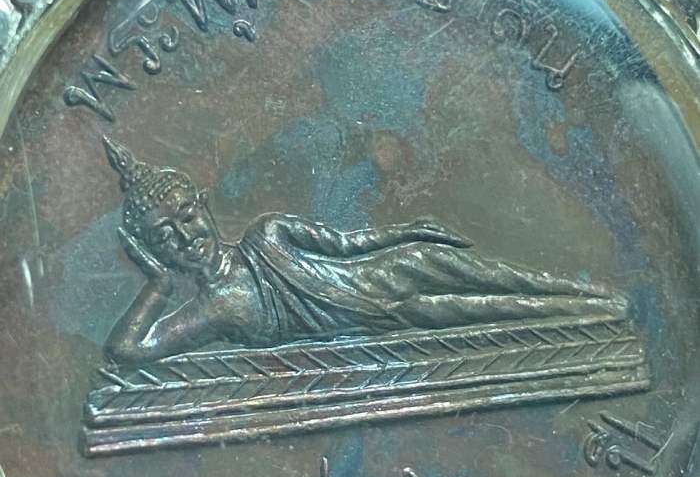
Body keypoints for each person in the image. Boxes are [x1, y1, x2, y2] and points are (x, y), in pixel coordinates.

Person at [103, 137, 627, 366]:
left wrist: (406, 233)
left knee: (498, 276)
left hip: (383, 274)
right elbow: (127, 350)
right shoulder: (212, 308)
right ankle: (595, 312)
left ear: (204, 204)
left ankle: (590, 294)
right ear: (158, 252)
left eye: (187, 217)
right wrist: (157, 285)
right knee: (488, 308)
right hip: (382, 317)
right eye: (165, 237)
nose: (185, 237)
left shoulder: (267, 233)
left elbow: (348, 245)